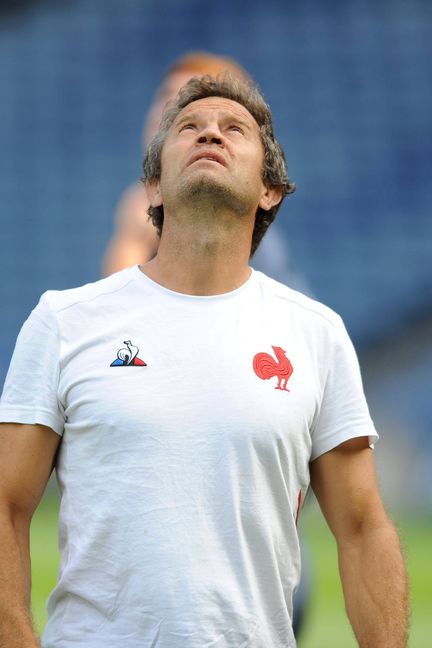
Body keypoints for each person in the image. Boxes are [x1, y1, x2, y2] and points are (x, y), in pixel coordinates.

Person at [0, 74, 408, 647]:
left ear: (270, 189)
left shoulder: (317, 335)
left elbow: (364, 529)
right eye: (188, 128)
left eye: (233, 129)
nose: (210, 133)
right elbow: (5, 502)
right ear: (154, 186)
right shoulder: (64, 322)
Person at [101, 51, 308, 294]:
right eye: (167, 98)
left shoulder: (243, 231)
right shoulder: (141, 201)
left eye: (192, 102)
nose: (170, 111)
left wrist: (133, 240)